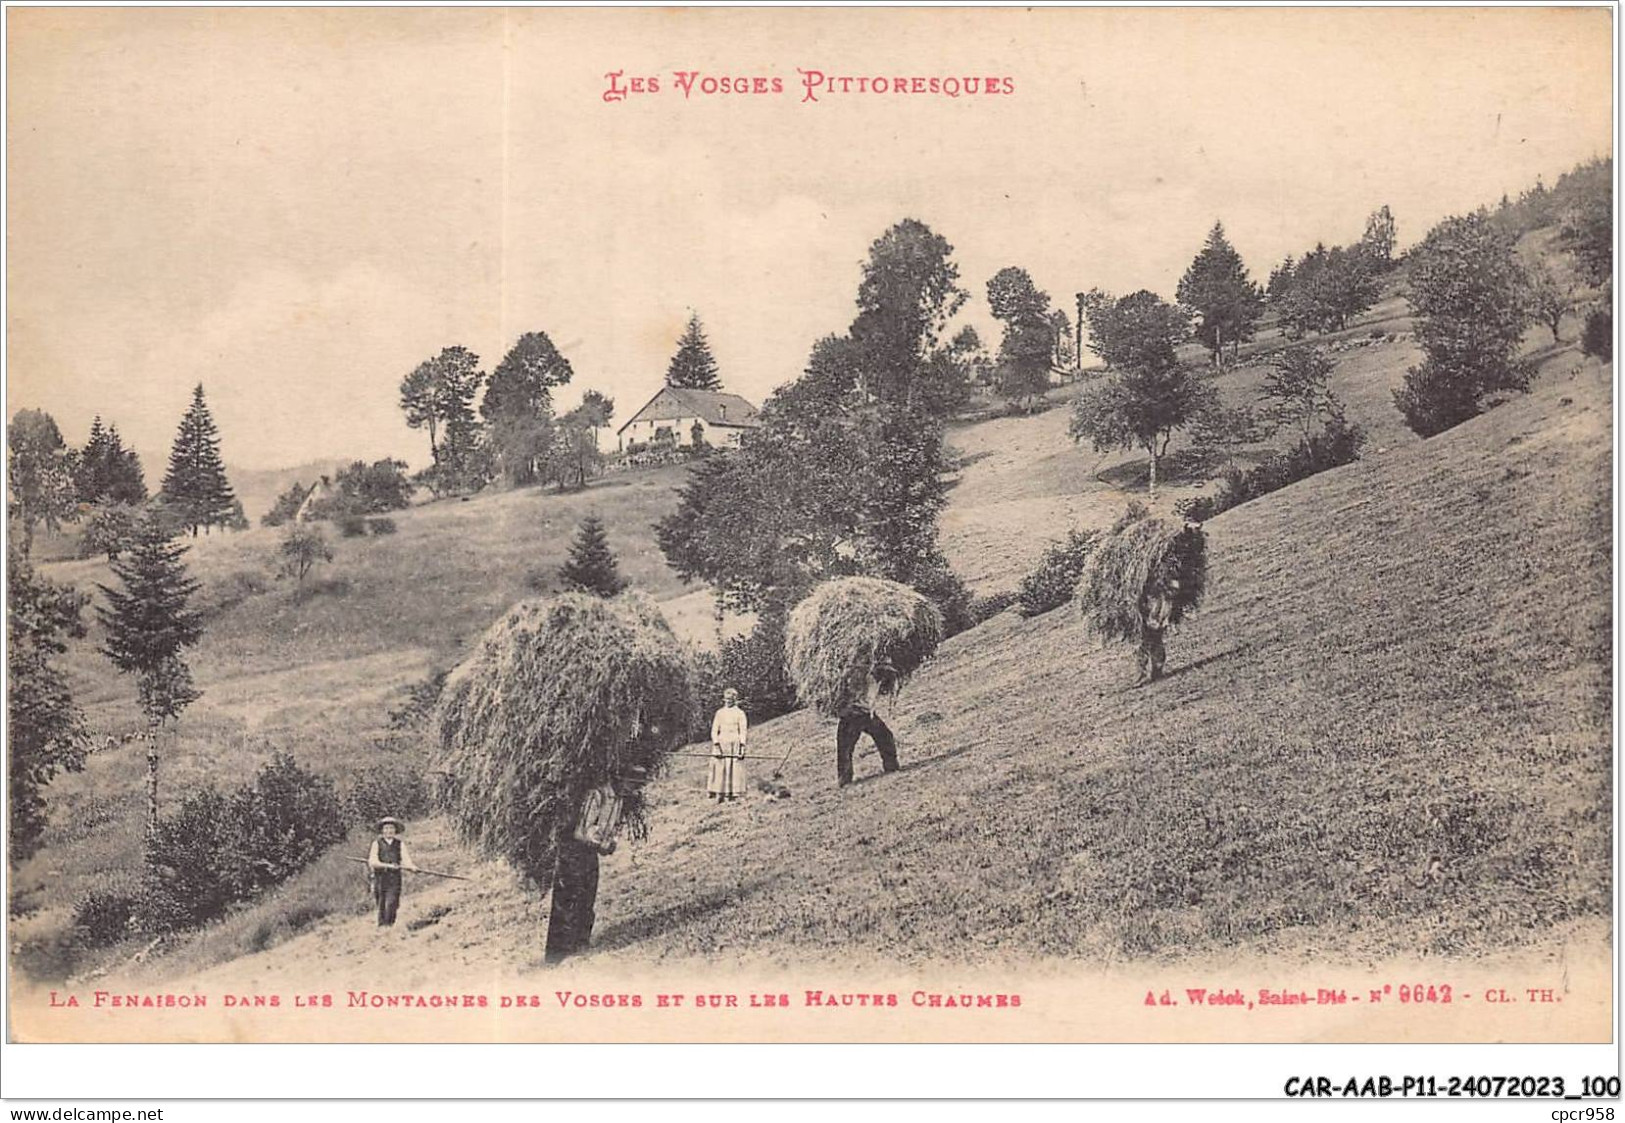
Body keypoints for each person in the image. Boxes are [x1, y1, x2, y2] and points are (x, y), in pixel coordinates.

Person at [836, 661, 899, 787]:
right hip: (852, 715)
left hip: (864, 713)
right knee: (846, 747)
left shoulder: (870, 675)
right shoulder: (857, 674)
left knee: (884, 736)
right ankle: (844, 779)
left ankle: (891, 766)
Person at [367, 817, 419, 927]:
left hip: (394, 878)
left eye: (391, 828)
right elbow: (373, 862)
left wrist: (412, 867)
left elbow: (406, 860)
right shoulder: (376, 844)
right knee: (381, 902)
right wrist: (388, 866)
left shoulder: (400, 844)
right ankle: (382, 927)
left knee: (392, 902)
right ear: (382, 830)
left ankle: (389, 925)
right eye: (386, 828)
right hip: (380, 877)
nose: (389, 831)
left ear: (395, 830)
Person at [708, 687, 748, 802]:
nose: (728, 701)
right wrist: (716, 745)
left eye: (731, 699)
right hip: (722, 743)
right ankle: (720, 794)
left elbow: (743, 731)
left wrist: (742, 747)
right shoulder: (720, 713)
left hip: (734, 744)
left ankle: (734, 794)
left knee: (734, 767)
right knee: (721, 767)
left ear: (735, 699)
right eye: (726, 699)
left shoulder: (740, 713)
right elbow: (714, 731)